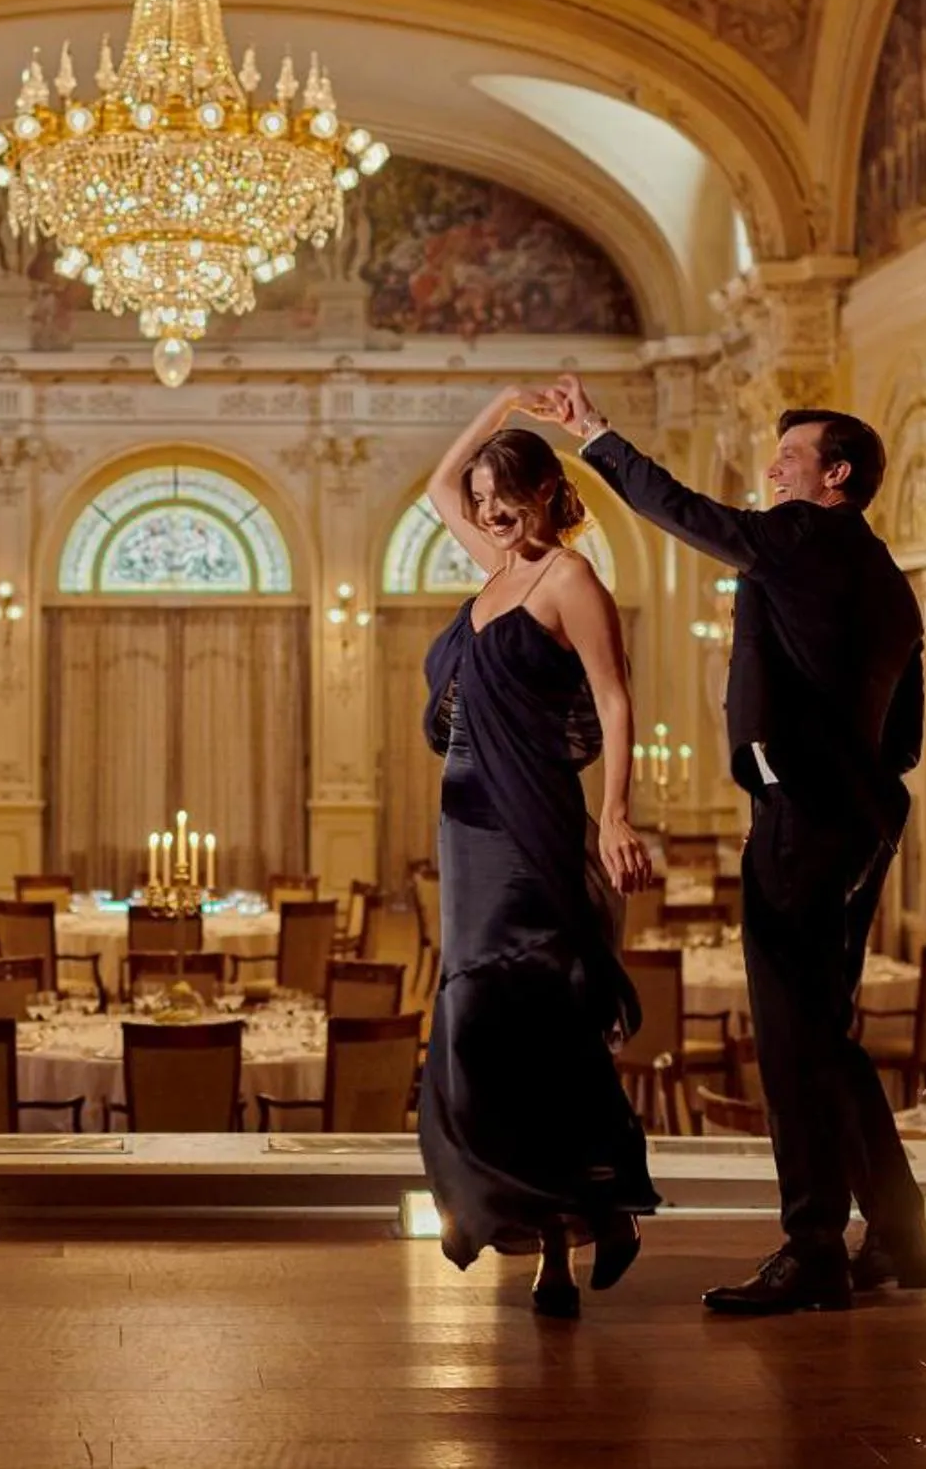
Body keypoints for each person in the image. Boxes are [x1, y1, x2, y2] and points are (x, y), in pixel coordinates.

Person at [543, 373, 926, 1315]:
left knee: (790, 1041)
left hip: (801, 820)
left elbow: (686, 512)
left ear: (835, 475)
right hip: (862, 820)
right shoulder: (886, 579)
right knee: (825, 1036)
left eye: (792, 456)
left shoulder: (807, 539)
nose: (773, 467)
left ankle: (813, 1250)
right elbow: (908, 739)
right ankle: (901, 1237)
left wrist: (597, 435)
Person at [416, 387, 661, 1318]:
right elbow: (437, 484)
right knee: (474, 1016)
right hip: (465, 820)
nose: (482, 512)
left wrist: (616, 813)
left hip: (535, 822)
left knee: (537, 1025)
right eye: (479, 501)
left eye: (499, 497)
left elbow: (615, 698)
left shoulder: (569, 581)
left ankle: (562, 1244)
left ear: (544, 491)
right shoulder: (492, 568)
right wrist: (501, 405)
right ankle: (492, 1196)